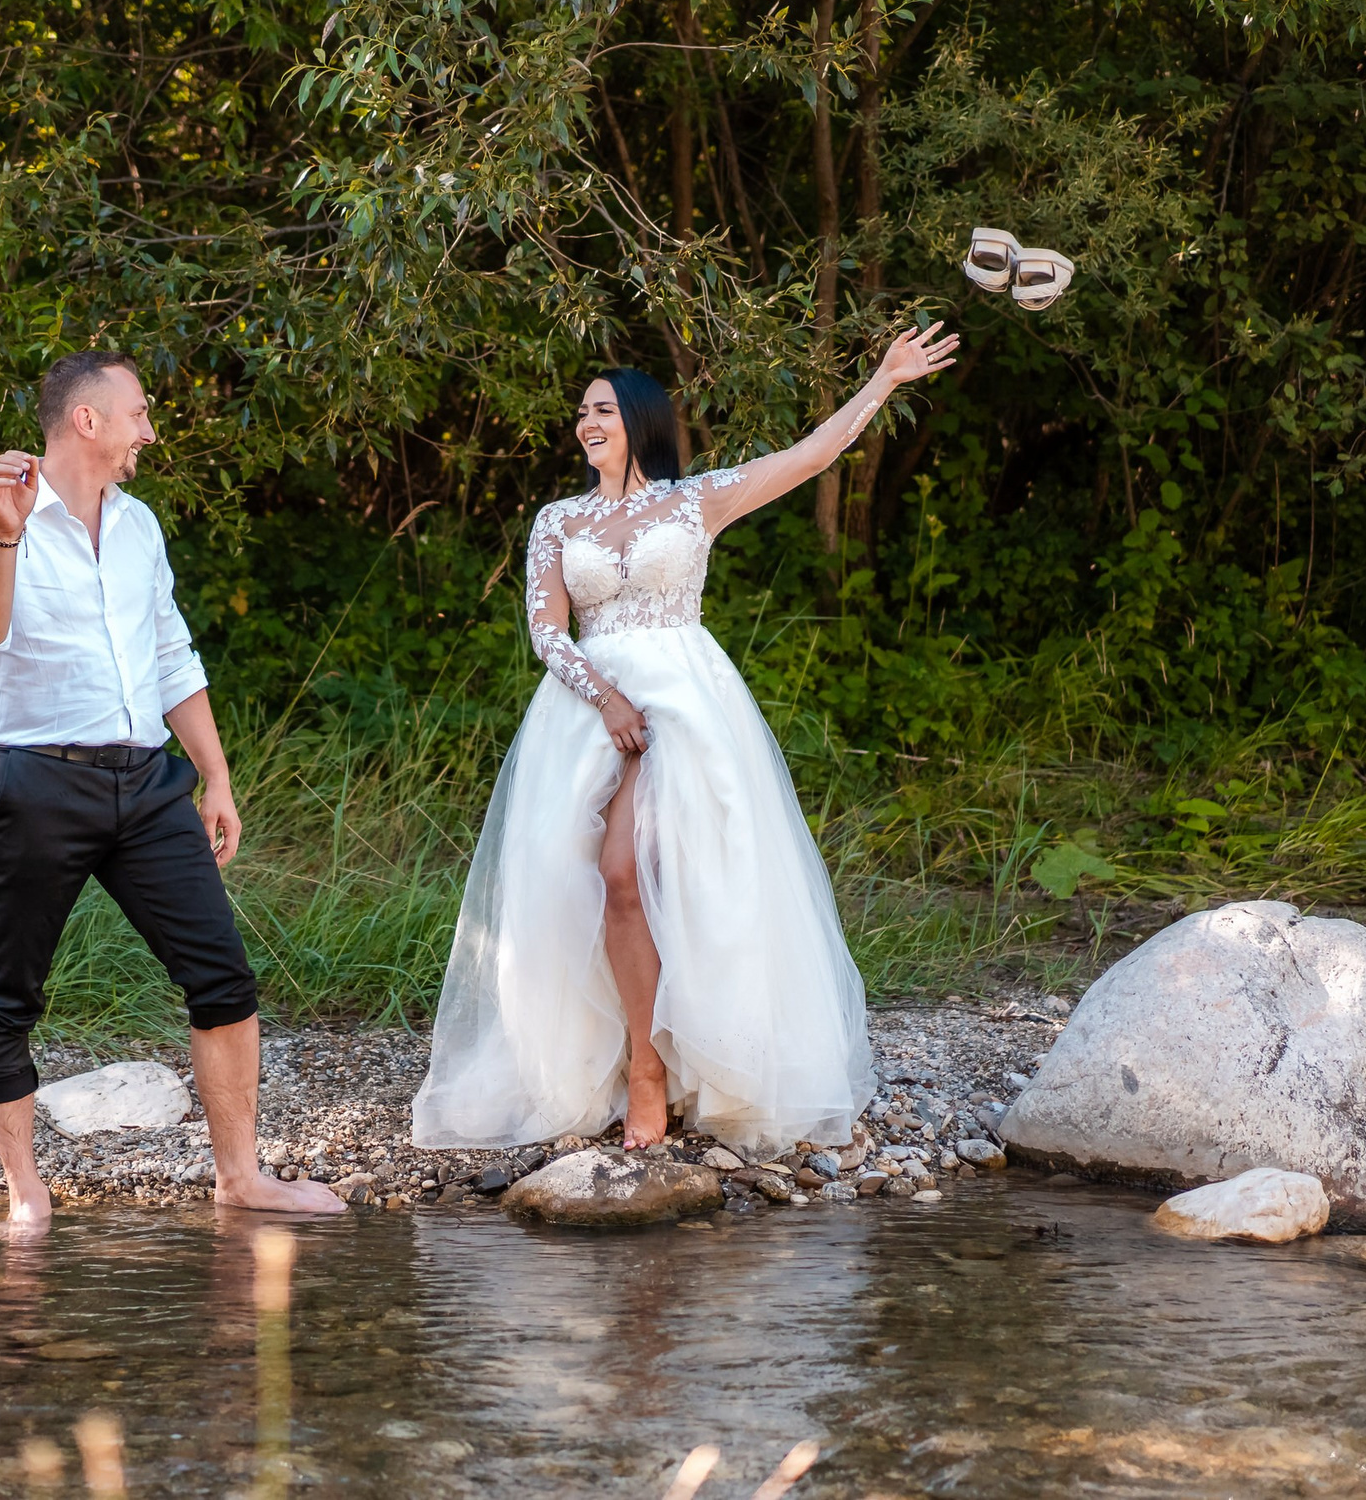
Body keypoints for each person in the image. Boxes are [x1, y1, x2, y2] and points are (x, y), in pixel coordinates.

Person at [412, 325, 964, 1156]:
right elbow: (547, 631)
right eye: (579, 412)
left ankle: (673, 1062)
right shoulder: (558, 521)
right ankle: (639, 1063)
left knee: (652, 873)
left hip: (690, 704)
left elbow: (812, 454)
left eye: (601, 408)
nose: (584, 421)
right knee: (605, 879)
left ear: (639, 418)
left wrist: (883, 379)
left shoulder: (696, 498)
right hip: (595, 710)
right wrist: (604, 697)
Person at [0, 350, 344, 1236]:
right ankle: (25, 1191)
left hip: (149, 783)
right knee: (9, 995)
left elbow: (171, 653)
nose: (149, 432)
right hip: (35, 782)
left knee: (224, 979)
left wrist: (216, 772)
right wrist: (7, 534)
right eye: (138, 414)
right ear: (87, 421)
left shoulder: (139, 525)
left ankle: (239, 1178)